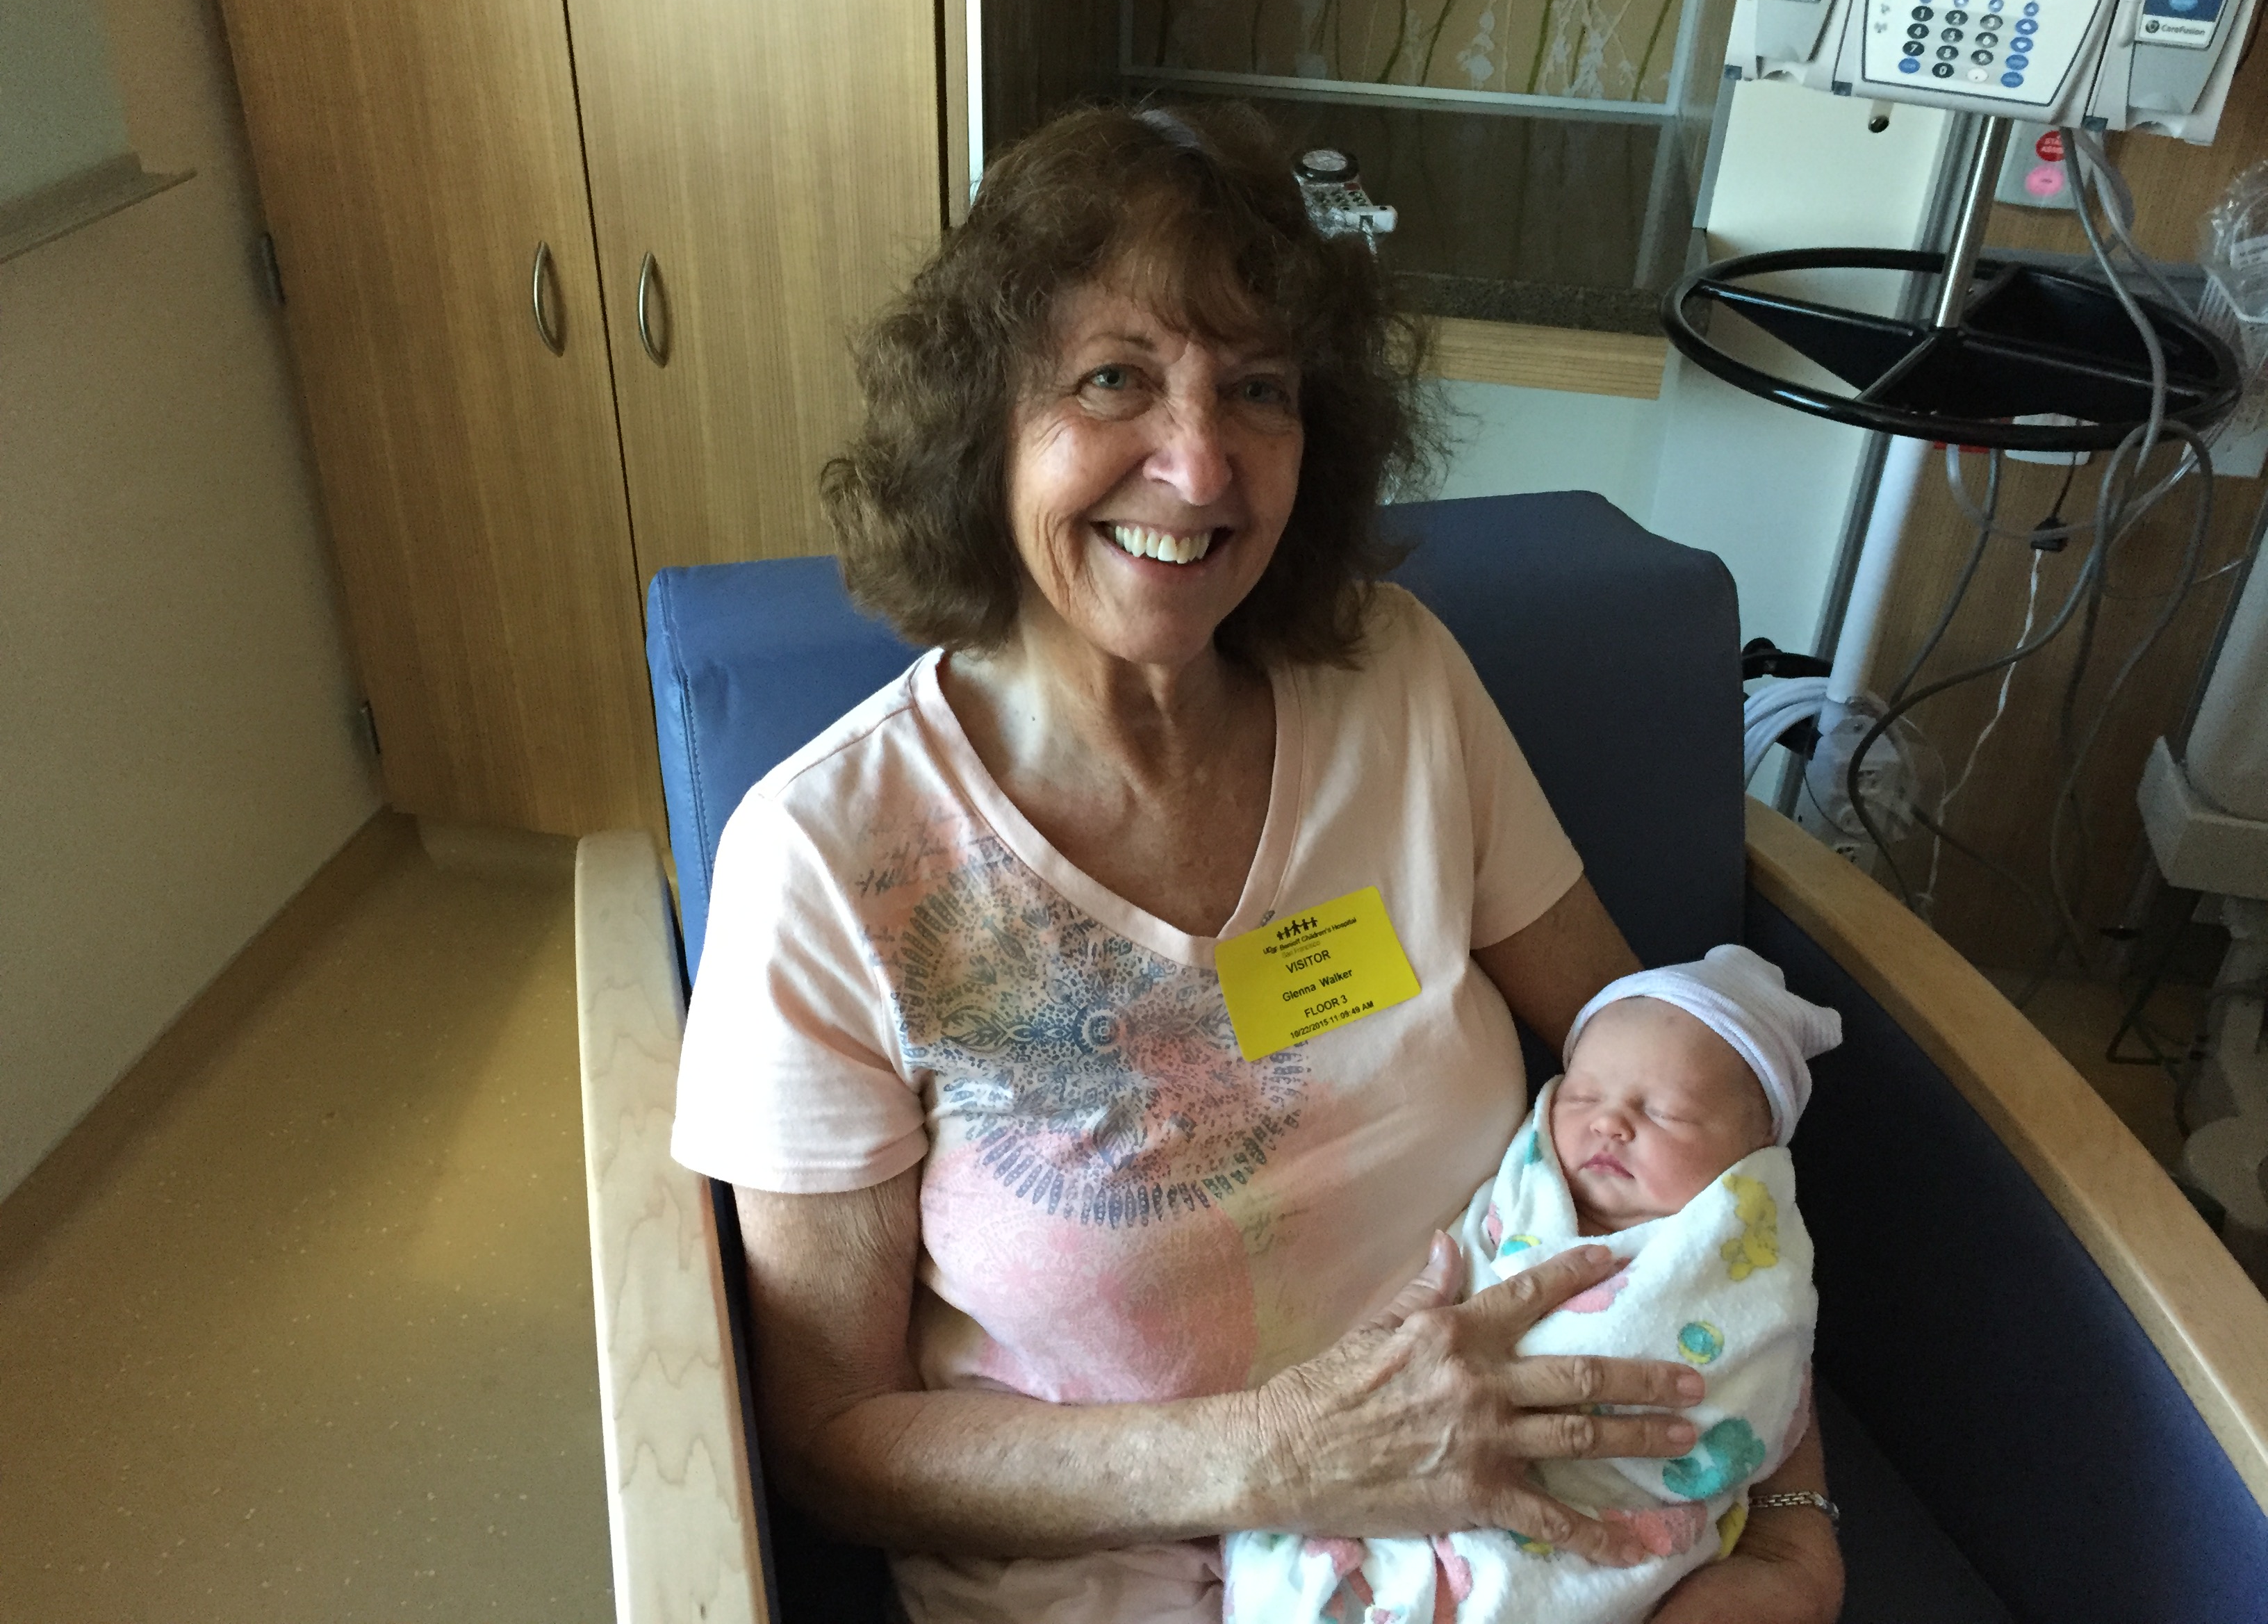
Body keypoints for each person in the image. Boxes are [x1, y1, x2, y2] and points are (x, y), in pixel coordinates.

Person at [668, 101, 1843, 1624]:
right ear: (982, 420)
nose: (1198, 460)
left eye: (1258, 389)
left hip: (1534, 1544)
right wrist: (1283, 1453)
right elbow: (831, 1442)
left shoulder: (1397, 683)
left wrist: (1789, 1529)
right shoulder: (829, 860)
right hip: (1122, 1580)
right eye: (1114, 377)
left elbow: (1688, 1106)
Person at [1222, 946, 1843, 1623]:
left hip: (1585, 1512)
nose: (1608, 1123)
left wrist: (1786, 1541)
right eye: (1582, 1096)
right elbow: (1458, 1279)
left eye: (1668, 1112)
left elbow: (1753, 1375)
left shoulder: (1742, 1266)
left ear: (1755, 1155)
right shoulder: (1522, 1200)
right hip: (1374, 1446)